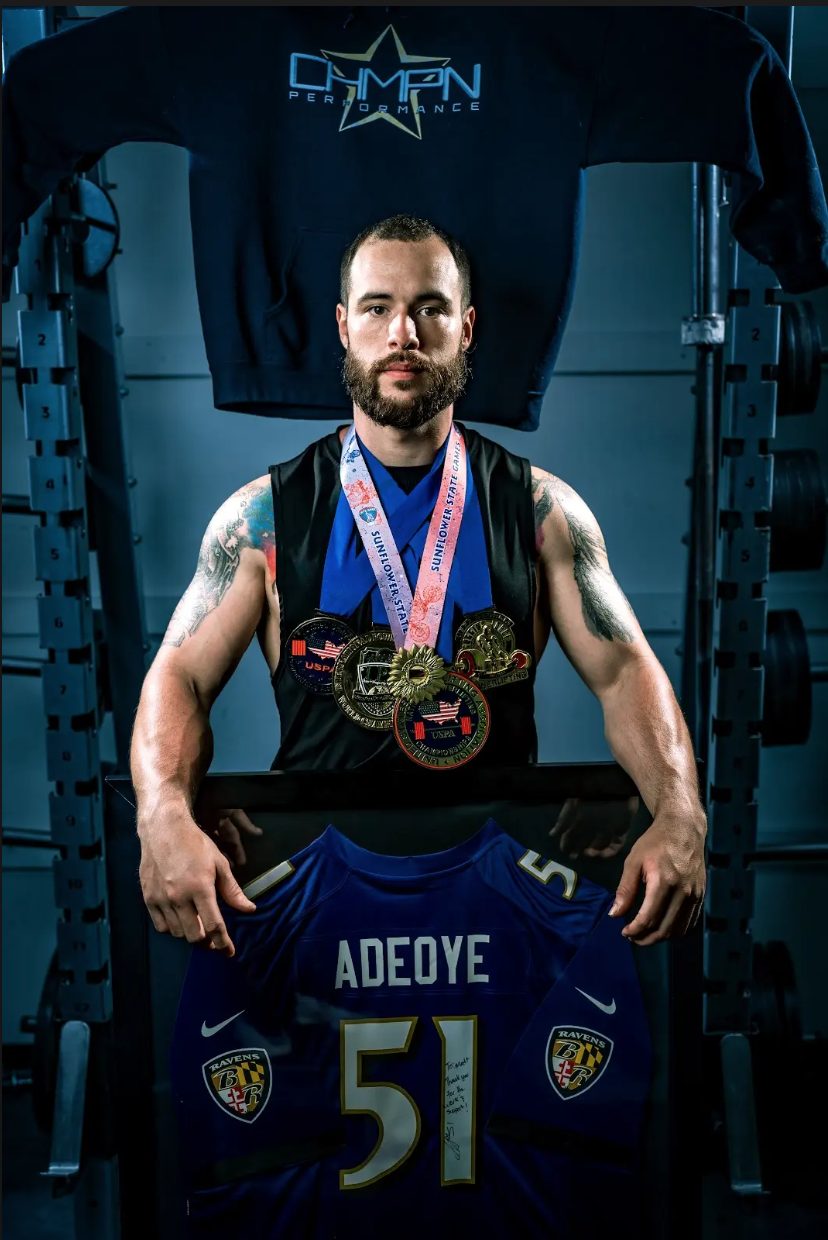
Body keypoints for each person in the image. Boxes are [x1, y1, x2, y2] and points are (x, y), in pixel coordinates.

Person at [131, 216, 707, 959]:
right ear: (344, 326)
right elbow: (178, 674)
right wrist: (163, 815)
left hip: (499, 888)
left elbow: (627, 671)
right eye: (377, 307)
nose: (403, 332)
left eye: (430, 308)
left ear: (465, 328)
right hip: (318, 894)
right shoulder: (263, 518)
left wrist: (680, 813)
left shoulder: (541, 511)